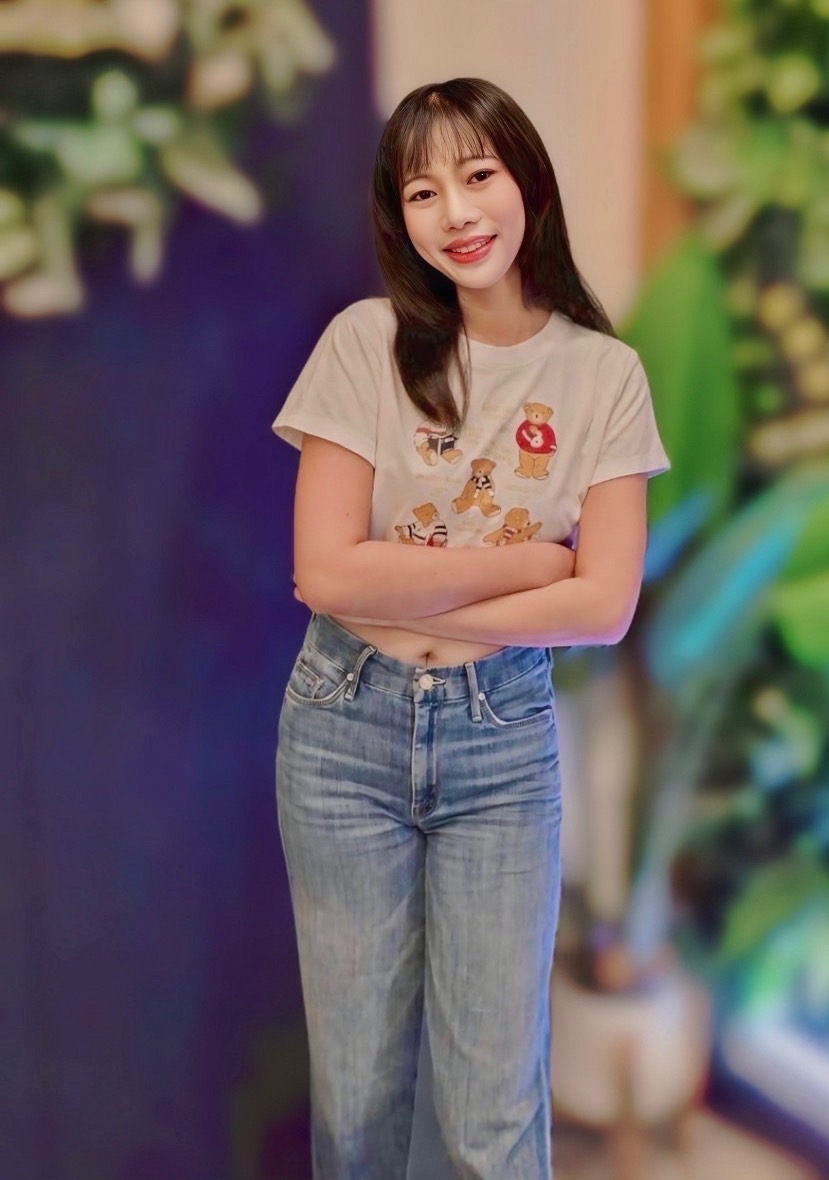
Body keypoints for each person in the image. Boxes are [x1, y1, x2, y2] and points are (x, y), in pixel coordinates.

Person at [272, 77, 669, 1179]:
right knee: (358, 1102)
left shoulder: (604, 374)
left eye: (477, 174)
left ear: (525, 182)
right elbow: (323, 575)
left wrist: (396, 583)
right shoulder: (364, 343)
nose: (455, 212)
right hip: (342, 729)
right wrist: (530, 563)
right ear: (397, 217)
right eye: (421, 191)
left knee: (493, 1111)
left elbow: (603, 607)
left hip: (500, 742)